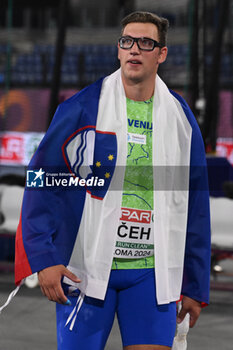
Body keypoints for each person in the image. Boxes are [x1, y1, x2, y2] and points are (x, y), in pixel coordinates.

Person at [14, 11, 211, 350]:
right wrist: (44, 258)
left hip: (152, 272)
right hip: (86, 268)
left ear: (161, 53)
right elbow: (43, 180)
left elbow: (194, 204)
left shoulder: (181, 119)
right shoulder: (81, 108)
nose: (134, 49)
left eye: (145, 43)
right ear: (118, 50)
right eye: (127, 42)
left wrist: (195, 284)